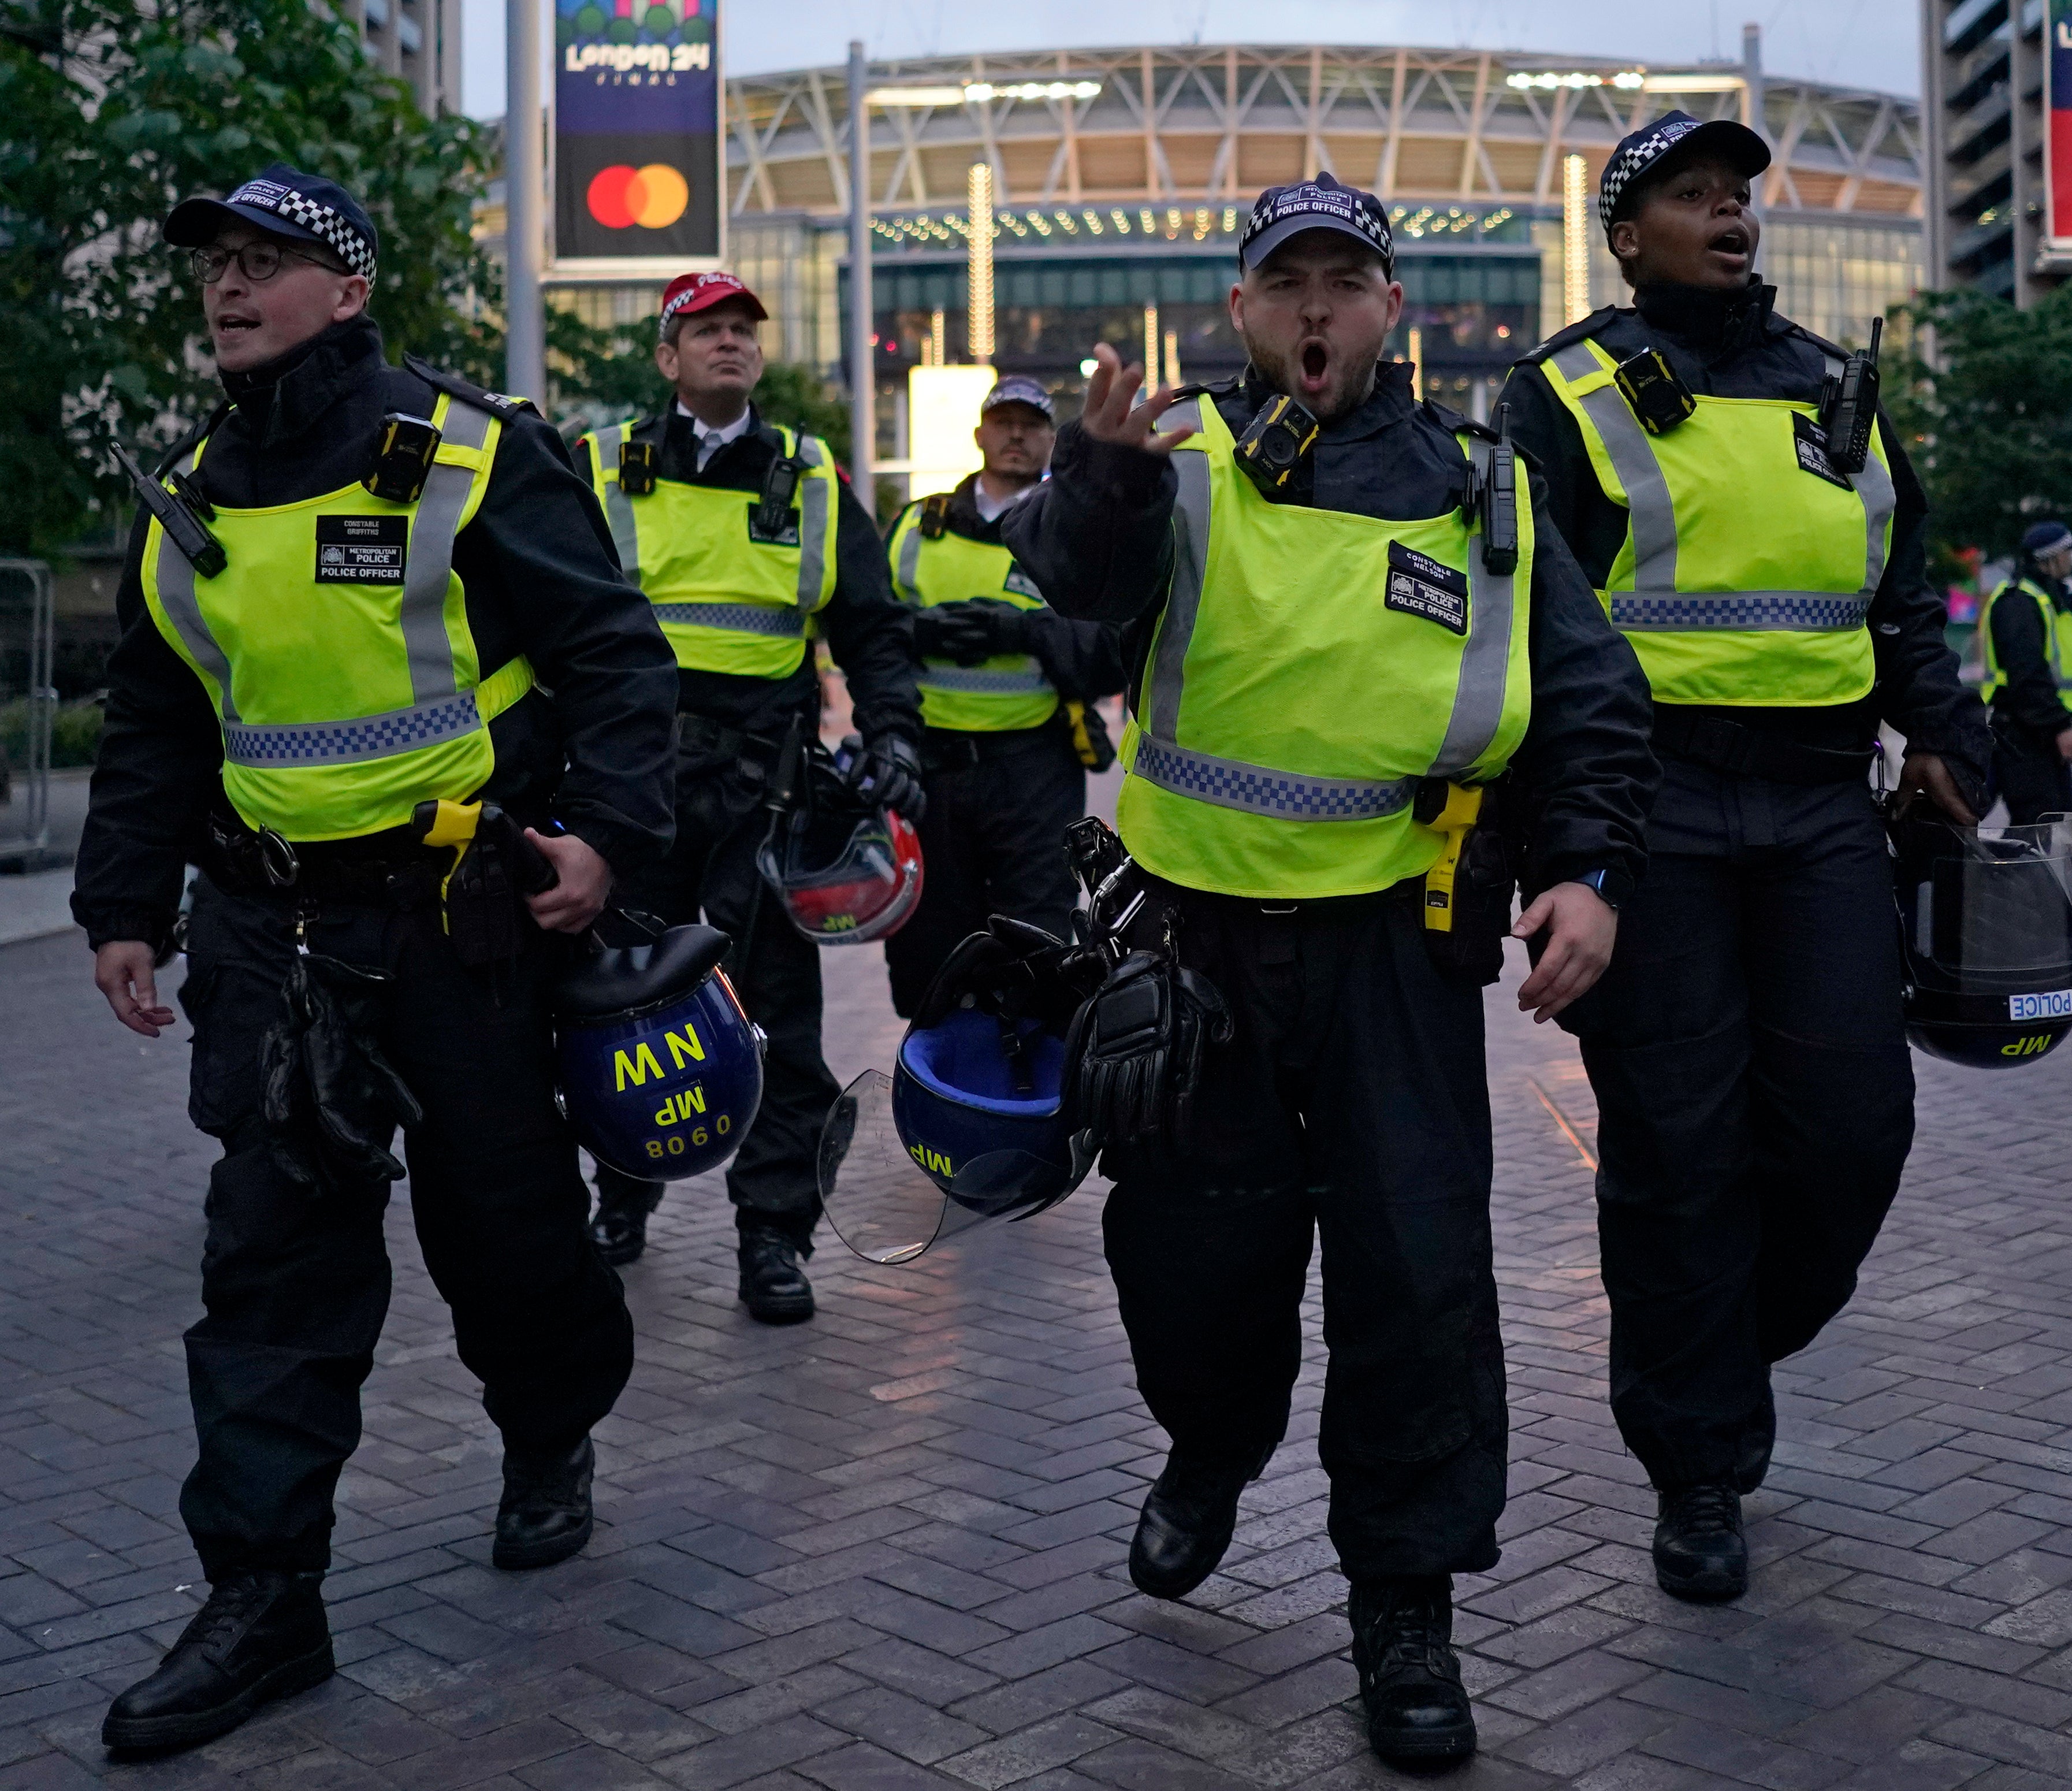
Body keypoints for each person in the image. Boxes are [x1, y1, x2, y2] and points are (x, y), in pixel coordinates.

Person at [1004, 173, 1656, 1765]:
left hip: (1402, 949)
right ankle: (1210, 1446)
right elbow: (1075, 622)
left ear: (1388, 308)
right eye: (1284, 283)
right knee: (1187, 1271)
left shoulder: (1483, 490)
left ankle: (1406, 1610)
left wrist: (1583, 870)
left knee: (1417, 1285)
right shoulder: (1176, 470)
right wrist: (1093, 482)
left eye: (1343, 281)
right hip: (1194, 947)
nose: (1314, 310)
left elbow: (1586, 701)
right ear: (1239, 311)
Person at [73, 165, 678, 1752]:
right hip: (272, 936)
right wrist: (121, 902)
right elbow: (153, 715)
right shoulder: (191, 491)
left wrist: (606, 835)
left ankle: (549, 1431)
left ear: (349, 291)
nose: (228, 285)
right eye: (215, 262)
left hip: (456, 918)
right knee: (269, 1261)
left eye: (269, 259)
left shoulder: (464, 452)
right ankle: (265, 1597)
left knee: (511, 1231)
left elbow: (616, 651)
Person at [1498, 112, 1988, 1604]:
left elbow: (1898, 591)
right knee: (1677, 1148)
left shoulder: (1839, 389)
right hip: (1653, 822)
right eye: (1691, 197)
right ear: (1624, 233)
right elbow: (1530, 630)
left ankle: (1713, 1339)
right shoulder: (1566, 394)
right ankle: (1697, 1463)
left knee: (1853, 1124)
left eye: (1737, 195)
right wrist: (1567, 846)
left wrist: (1952, 734)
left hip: (1820, 812)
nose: (1729, 216)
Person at [575, 272, 926, 1321]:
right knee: (613, 1012)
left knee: (776, 1029)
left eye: (743, 330)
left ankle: (774, 1241)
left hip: (758, 801)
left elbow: (872, 624)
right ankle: (621, 1200)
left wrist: (894, 732)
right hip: (630, 799)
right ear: (667, 356)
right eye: (706, 330)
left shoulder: (810, 476)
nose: (728, 344)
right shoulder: (600, 468)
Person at [883, 376, 1128, 1014]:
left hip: (1033, 768)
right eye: (1004, 422)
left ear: (1052, 440)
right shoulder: (918, 525)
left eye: (1032, 425)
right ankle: (942, 1083)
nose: (1016, 435)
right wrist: (919, 630)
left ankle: (1033, 1090)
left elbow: (1108, 655)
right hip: (932, 770)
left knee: (1039, 941)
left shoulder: (1073, 530)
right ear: (980, 435)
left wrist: (1024, 631)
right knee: (930, 943)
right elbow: (867, 632)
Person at [1980, 520, 2072, 825]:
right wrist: (2060, 727)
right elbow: (2028, 675)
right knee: (2038, 829)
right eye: (2068, 551)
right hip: (2024, 735)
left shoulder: (2042, 599)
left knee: (2044, 826)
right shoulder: (2020, 603)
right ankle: (1993, 874)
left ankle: (1993, 872)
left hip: (2032, 733)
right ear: (2051, 557)